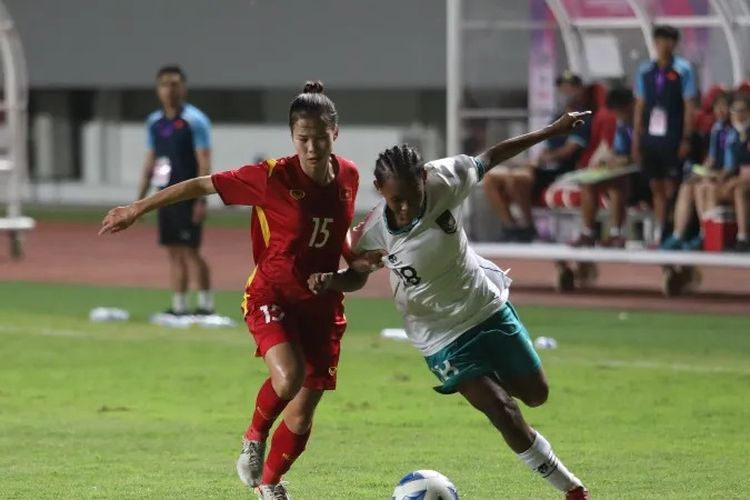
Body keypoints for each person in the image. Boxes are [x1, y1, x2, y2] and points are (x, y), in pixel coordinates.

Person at [101, 82, 372, 500]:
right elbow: (200, 185)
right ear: (291, 137)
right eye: (303, 139)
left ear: (335, 133)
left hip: (321, 305)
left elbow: (338, 241)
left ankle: (269, 484)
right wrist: (137, 208)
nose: (312, 147)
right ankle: (253, 436)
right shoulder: (271, 177)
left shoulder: (350, 176)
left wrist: (351, 267)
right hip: (272, 295)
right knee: (289, 376)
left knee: (302, 412)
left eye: (320, 137)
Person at [308, 112, 591, 499]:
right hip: (440, 335)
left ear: (424, 177)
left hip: (484, 305)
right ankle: (572, 489)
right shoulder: (370, 232)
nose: (405, 208)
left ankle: (491, 374)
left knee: (536, 395)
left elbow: (492, 156)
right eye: (396, 200)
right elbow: (357, 274)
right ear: (378, 189)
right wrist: (332, 282)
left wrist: (552, 130)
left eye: (412, 196)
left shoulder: (448, 178)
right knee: (503, 411)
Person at [138, 65, 214, 315]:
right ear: (158, 89)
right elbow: (151, 161)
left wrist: (201, 200)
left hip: (188, 195)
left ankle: (205, 305)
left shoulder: (195, 120)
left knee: (191, 250)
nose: (170, 89)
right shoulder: (154, 122)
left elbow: (204, 161)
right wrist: (139, 201)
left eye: (175, 84)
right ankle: (179, 307)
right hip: (164, 195)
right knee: (172, 250)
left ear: (183, 88)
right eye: (165, 84)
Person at [483, 72, 592, 242]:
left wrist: (543, 160)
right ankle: (510, 227)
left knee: (517, 179)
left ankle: (527, 227)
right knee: (490, 179)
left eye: (570, 88)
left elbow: (568, 151)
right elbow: (545, 146)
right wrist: (533, 161)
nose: (566, 92)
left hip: (561, 170)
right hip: (541, 168)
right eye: (563, 88)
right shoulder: (558, 118)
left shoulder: (583, 118)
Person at [632, 25, 698, 244]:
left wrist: (686, 136)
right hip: (651, 136)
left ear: (674, 43)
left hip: (673, 134)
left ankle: (675, 227)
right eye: (660, 41)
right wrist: (636, 137)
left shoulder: (683, 69)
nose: (664, 46)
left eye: (668, 41)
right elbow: (640, 104)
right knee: (656, 184)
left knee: (673, 184)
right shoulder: (645, 70)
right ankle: (661, 228)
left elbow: (689, 104)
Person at [662, 90, 732, 250]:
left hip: (726, 176)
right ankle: (677, 235)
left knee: (704, 186)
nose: (720, 111)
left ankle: (705, 234)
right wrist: (702, 171)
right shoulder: (716, 129)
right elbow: (711, 160)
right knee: (688, 184)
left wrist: (712, 175)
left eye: (725, 107)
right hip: (716, 173)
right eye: (717, 107)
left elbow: (732, 163)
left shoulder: (735, 131)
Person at [571, 88, 635, 248]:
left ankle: (617, 234)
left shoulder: (641, 124)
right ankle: (588, 232)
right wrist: (606, 161)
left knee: (618, 182)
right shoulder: (621, 125)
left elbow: (640, 154)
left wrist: (625, 160)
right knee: (589, 184)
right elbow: (613, 149)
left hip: (642, 175)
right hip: (622, 169)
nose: (617, 116)